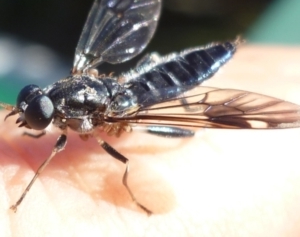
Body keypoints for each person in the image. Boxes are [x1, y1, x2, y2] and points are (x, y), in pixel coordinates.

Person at [1, 45, 300, 236]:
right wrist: (34, 124)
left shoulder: (93, 116)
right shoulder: (63, 95)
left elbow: (56, 134)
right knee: (154, 62)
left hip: (137, 97)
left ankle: (132, 191)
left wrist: (26, 190)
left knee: (186, 130)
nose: (26, 107)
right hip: (133, 80)